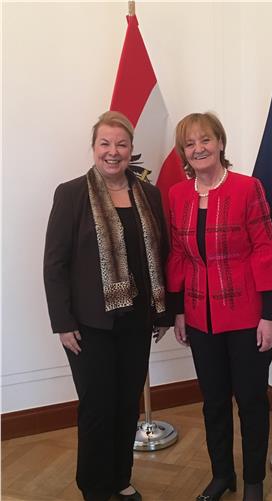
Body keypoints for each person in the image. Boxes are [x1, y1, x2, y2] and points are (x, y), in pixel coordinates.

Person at [44, 111, 171, 501]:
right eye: (105, 143)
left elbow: (161, 254)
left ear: (131, 149)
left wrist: (162, 311)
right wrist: (63, 323)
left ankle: (120, 478)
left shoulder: (148, 194)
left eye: (121, 144)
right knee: (98, 408)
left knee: (126, 404)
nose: (113, 152)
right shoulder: (71, 194)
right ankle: (95, 488)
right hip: (89, 325)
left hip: (136, 321)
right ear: (94, 147)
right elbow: (55, 263)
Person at [166, 113, 272, 501]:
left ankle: (253, 480)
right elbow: (178, 256)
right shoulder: (177, 195)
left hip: (247, 317)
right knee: (214, 402)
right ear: (184, 153)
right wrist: (179, 311)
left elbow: (266, 251)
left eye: (205, 140)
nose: (198, 148)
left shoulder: (246, 188)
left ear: (220, 143)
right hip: (200, 317)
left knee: (251, 401)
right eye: (190, 144)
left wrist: (269, 315)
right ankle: (223, 476)